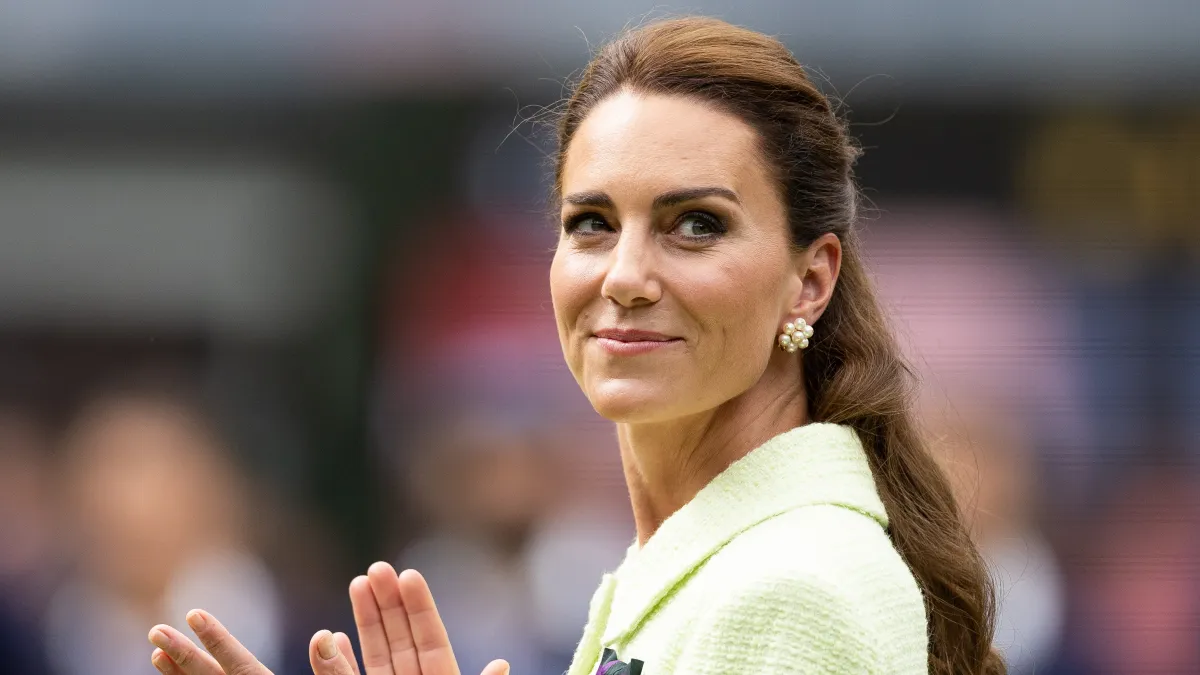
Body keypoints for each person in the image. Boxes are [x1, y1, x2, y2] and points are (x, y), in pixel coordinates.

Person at [146, 16, 1004, 675]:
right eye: (591, 223)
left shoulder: (786, 588)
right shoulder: (694, 564)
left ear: (810, 280)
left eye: (695, 225)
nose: (624, 274)